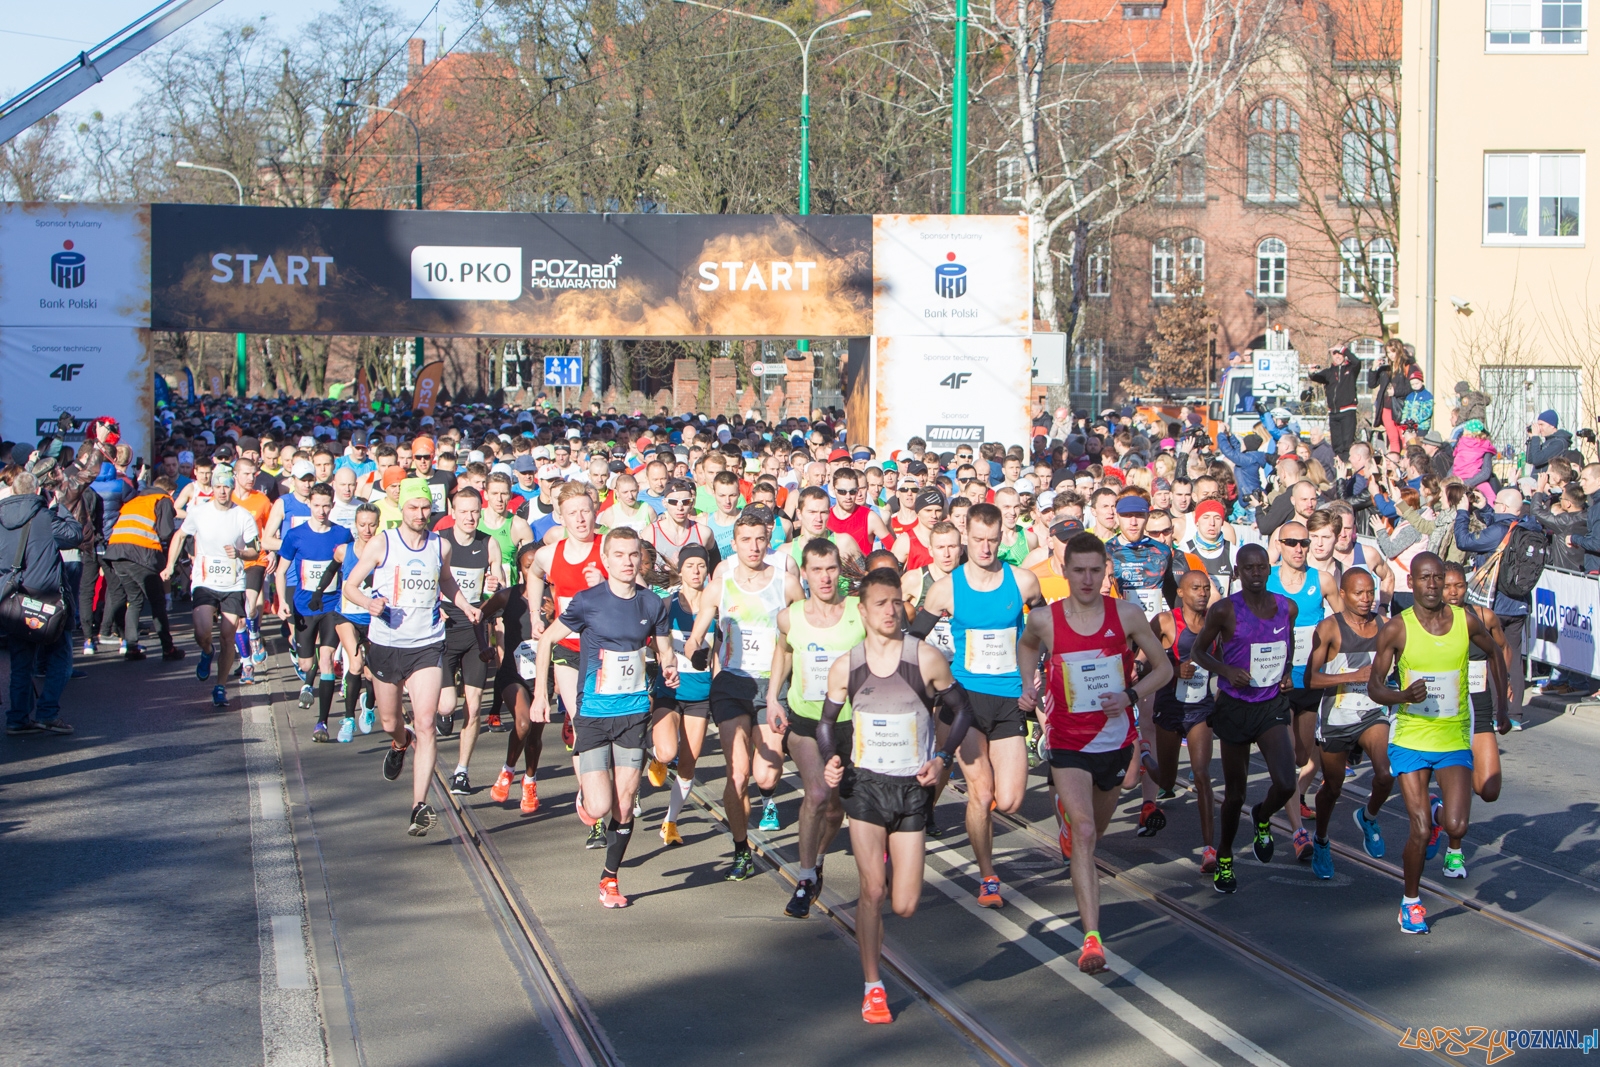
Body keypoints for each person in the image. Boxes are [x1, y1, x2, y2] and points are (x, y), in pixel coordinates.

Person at [818, 568, 975, 1024]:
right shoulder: (846, 665)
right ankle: (873, 986)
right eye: (880, 603)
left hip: (911, 788)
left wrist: (944, 757)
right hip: (865, 785)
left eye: (896, 603)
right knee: (872, 889)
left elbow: (960, 710)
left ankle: (889, 875)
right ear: (862, 610)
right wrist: (831, 757)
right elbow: (828, 722)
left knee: (904, 903)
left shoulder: (925, 658)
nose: (890, 611)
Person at [1017, 532, 1172, 971]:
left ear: (1106, 571)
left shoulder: (1126, 614)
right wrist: (1028, 685)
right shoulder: (1045, 620)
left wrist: (1131, 693)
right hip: (1067, 740)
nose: (1086, 579)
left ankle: (1075, 827)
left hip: (1115, 742)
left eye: (1094, 570)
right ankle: (1092, 939)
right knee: (1084, 833)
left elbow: (1163, 667)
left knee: (1094, 829)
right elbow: (1027, 646)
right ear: (1063, 572)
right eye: (1078, 570)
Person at [529, 527, 675, 908]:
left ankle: (610, 878)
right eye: (620, 555)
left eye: (633, 555)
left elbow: (664, 649)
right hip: (593, 715)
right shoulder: (586, 602)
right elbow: (547, 639)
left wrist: (670, 665)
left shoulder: (652, 604)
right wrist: (541, 695)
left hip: (632, 714)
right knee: (599, 806)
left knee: (624, 804)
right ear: (605, 560)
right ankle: (587, 797)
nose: (627, 562)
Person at [912, 502, 1045, 908]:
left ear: (1002, 538)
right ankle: (988, 876)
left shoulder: (1023, 582)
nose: (985, 549)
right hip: (964, 700)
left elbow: (1047, 630)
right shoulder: (945, 588)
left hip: (1008, 699)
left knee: (1009, 800)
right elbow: (911, 642)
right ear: (965, 538)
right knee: (981, 792)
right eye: (978, 541)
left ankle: (985, 823)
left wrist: (1037, 675)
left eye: (992, 540)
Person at [1366, 553, 1507, 931]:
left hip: (1453, 736)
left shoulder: (1465, 621)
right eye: (1424, 578)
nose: (1432, 585)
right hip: (1411, 738)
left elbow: (1496, 652)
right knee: (1422, 831)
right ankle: (1410, 902)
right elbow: (1374, 686)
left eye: (1438, 578)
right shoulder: (1398, 628)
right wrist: (1401, 697)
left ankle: (1436, 809)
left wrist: (1504, 707)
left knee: (1457, 826)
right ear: (1411, 583)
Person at [340, 479, 481, 837]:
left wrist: (463, 604)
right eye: (413, 508)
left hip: (428, 644)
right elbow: (350, 586)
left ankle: (419, 805)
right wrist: (369, 603)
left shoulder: (440, 545)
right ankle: (398, 744)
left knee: (426, 723)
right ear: (400, 509)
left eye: (425, 509)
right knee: (390, 721)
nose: (420, 515)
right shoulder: (383, 543)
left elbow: (445, 581)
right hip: (387, 644)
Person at [684, 509, 804, 880]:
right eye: (745, 540)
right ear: (733, 545)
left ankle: (766, 796)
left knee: (766, 776)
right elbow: (695, 636)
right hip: (732, 685)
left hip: (772, 685)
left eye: (759, 540)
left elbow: (802, 632)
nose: (753, 547)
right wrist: (697, 651)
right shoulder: (720, 586)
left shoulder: (785, 583)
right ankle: (741, 849)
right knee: (737, 775)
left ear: (768, 542)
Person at [1188, 543, 1300, 893]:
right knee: (1234, 794)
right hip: (1235, 706)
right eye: (1248, 568)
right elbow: (1197, 651)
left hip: (1270, 705)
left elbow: (1289, 643)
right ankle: (1224, 855)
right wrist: (1225, 669)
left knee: (1286, 782)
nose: (1255, 573)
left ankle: (1263, 817)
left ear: (1270, 570)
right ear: (1238, 572)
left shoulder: (1286, 607)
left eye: (1261, 567)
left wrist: (1287, 673)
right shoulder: (1223, 610)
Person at [769, 538, 865, 917]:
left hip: (851, 723)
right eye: (817, 570)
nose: (825, 578)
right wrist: (774, 697)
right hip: (807, 721)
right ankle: (805, 877)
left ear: (839, 571)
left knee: (835, 806)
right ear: (804, 574)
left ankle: (819, 859)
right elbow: (783, 651)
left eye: (831, 569)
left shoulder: (859, 610)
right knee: (817, 793)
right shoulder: (789, 616)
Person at [1304, 568, 1393, 878]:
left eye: (1371, 592)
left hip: (1372, 712)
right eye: (1359, 593)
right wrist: (1353, 676)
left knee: (1385, 773)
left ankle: (1368, 817)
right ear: (1342, 594)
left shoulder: (1385, 624)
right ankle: (1322, 839)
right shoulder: (1329, 628)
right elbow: (1309, 678)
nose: (1366, 599)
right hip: (1337, 717)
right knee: (1333, 787)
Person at [1265, 519, 1342, 860]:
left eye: (1304, 543)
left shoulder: (1322, 580)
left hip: (1309, 681)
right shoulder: (1265, 581)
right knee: (1286, 757)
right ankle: (1298, 831)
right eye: (1292, 542)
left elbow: (1346, 622)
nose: (1299, 549)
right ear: (1279, 545)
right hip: (1278, 682)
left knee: (1302, 755)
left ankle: (1291, 794)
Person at [164, 465, 261, 707]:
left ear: (232, 487)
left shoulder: (243, 515)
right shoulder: (198, 512)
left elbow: (255, 549)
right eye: (217, 486)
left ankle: (220, 687)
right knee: (202, 631)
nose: (222, 491)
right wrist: (169, 566)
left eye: (226, 486)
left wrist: (239, 553)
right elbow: (179, 537)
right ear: (212, 488)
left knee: (228, 636)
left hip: (232, 582)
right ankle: (207, 652)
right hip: (205, 581)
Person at [1, 469, 83, 736]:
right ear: (37, 491)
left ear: (13, 491)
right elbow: (74, 535)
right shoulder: (46, 516)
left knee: (21, 663)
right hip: (47, 599)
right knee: (60, 656)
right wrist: (58, 506)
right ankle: (47, 713)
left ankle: (17, 718)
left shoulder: (1, 518)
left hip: (13, 599)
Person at [1149, 569, 1219, 871]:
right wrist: (1174, 670)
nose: (1202, 594)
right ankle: (1144, 757)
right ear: (1181, 593)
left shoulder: (1216, 624)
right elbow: (1146, 659)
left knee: (1202, 774)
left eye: (1206, 588)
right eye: (1195, 589)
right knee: (1166, 781)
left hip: (1201, 708)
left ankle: (1209, 849)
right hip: (1170, 706)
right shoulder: (1165, 622)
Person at [646, 544, 715, 844]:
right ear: (681, 570)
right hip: (670, 691)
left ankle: (670, 822)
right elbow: (647, 640)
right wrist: (661, 660)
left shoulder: (717, 608)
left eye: (701, 566)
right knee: (668, 752)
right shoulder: (666, 604)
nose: (696, 572)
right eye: (690, 566)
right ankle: (658, 757)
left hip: (700, 694)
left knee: (688, 763)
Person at [274, 481, 353, 736]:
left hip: (333, 605)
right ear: (309, 504)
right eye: (317, 505)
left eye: (326, 506)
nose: (321, 511)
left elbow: (352, 568)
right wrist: (281, 601)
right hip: (304, 605)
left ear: (332, 506)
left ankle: (322, 723)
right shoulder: (295, 535)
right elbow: (281, 571)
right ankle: (308, 679)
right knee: (308, 664)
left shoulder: (342, 534)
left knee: (328, 659)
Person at [438, 487, 503, 789]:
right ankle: (443, 712)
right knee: (447, 705)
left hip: (475, 631)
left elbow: (499, 584)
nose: (469, 517)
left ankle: (462, 770)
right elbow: (430, 582)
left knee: (474, 706)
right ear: (453, 512)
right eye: (463, 511)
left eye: (474, 511)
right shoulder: (441, 544)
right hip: (445, 628)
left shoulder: (488, 544)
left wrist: (495, 581)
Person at [1453, 487, 1536, 719]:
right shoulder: (1528, 528)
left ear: (1506, 507)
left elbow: (1464, 540)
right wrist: (1486, 508)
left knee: (1490, 654)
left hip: (1494, 603)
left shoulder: (1499, 530)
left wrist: (1463, 512)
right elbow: (1503, 525)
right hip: (1519, 604)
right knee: (1514, 655)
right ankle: (1515, 714)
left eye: (1497, 503)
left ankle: (1491, 709)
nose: (1495, 505)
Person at [1441, 562, 1513, 806]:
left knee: (1489, 789)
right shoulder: (1430, 621)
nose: (1453, 592)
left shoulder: (1484, 617)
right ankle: (1442, 816)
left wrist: (1504, 681)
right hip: (1444, 712)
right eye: (1447, 586)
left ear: (1466, 587)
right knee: (1457, 796)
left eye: (1459, 586)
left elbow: (1502, 648)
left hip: (1479, 708)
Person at [100, 477, 185, 661]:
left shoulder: (135, 500)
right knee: (157, 601)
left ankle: (131, 646)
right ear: (170, 492)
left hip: (116, 552)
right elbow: (165, 532)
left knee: (134, 599)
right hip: (140, 553)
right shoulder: (163, 500)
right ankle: (167, 648)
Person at [1308, 346, 1362, 460]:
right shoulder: (1329, 372)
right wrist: (1311, 373)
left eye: (1340, 354)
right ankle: (1338, 468)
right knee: (1336, 444)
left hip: (1348, 410)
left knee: (1347, 443)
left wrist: (1343, 349)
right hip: (1333, 412)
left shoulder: (1351, 369)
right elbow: (1316, 377)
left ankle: (1348, 466)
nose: (1337, 356)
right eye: (1334, 354)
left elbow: (1357, 362)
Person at [1524, 410, 1572, 475]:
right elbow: (1529, 459)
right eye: (1538, 425)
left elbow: (1537, 460)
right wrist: (1531, 439)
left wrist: (1536, 437)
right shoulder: (1548, 441)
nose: (1539, 428)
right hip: (1537, 481)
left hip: (1547, 482)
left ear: (1552, 425)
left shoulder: (1559, 443)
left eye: (1541, 425)